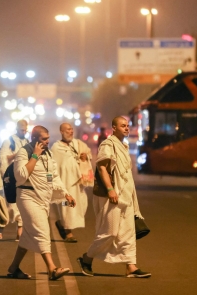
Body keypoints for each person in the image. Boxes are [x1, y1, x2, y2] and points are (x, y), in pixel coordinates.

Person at [77, 117, 151, 278]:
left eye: (127, 126)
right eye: (123, 126)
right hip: (113, 195)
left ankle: (131, 266)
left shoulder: (123, 146)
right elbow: (102, 167)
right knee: (109, 232)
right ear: (114, 128)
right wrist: (110, 189)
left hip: (126, 196)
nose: (126, 128)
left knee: (128, 232)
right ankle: (86, 259)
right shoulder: (108, 144)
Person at [7, 126, 76, 281]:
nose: (47, 141)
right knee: (42, 231)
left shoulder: (48, 154)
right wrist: (35, 156)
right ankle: (52, 268)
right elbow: (21, 176)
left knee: (27, 235)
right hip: (27, 197)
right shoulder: (24, 152)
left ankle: (13, 268)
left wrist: (66, 193)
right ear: (34, 138)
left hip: (43, 199)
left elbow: (53, 176)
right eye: (43, 139)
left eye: (48, 138)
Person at [51, 123, 91, 242]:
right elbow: (53, 165)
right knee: (67, 206)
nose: (71, 131)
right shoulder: (56, 147)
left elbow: (88, 153)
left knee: (82, 204)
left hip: (79, 182)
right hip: (66, 182)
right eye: (68, 130)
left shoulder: (78, 143)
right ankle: (68, 232)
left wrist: (86, 156)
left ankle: (61, 223)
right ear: (62, 132)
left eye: (71, 129)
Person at [0, 119, 29, 240]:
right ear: (17, 129)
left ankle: (20, 233)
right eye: (22, 129)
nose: (24, 132)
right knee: (10, 206)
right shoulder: (9, 141)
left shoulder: (27, 141)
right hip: (11, 176)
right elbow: (3, 159)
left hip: (23, 177)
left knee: (21, 204)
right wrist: (17, 155)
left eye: (26, 130)